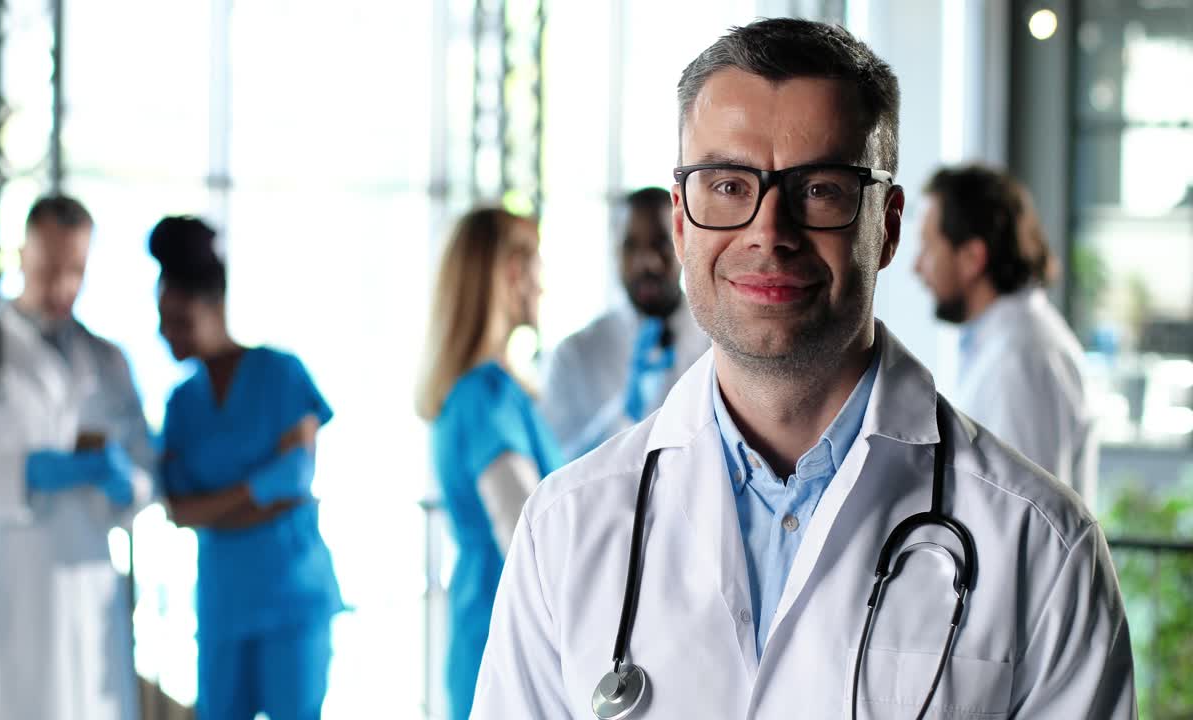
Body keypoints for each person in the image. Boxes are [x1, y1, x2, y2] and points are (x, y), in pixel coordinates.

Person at [472, 18, 1135, 719]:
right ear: (679, 223)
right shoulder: (565, 529)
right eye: (728, 186)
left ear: (886, 225)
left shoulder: (1044, 548)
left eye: (819, 189)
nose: (769, 231)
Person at [0, 195, 154, 720]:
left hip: (82, 600)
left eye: (76, 271)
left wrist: (124, 482)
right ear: (21, 256)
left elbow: (146, 475)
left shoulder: (108, 364)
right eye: (49, 270)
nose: (62, 287)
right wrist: (23, 474)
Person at [151, 216, 343, 720]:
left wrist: (216, 506)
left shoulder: (280, 372)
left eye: (178, 319)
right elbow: (178, 509)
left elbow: (297, 476)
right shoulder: (181, 404)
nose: (165, 333)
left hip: (292, 597)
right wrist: (259, 493)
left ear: (214, 308)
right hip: (222, 603)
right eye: (161, 319)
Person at [415, 208, 564, 720]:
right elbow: (527, 537)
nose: (545, 286)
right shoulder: (486, 397)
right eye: (540, 267)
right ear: (512, 273)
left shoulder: (487, 393)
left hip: (488, 628)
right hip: (503, 644)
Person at [914, 164, 1097, 507]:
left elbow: (1027, 514)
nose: (917, 266)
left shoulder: (1022, 355)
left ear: (972, 258)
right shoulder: (1006, 343)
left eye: (927, 247)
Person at [541, 188, 710, 459]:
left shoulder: (717, 342)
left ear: (683, 244)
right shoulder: (573, 355)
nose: (647, 263)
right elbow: (555, 466)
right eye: (631, 246)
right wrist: (621, 414)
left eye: (661, 245)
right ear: (614, 250)